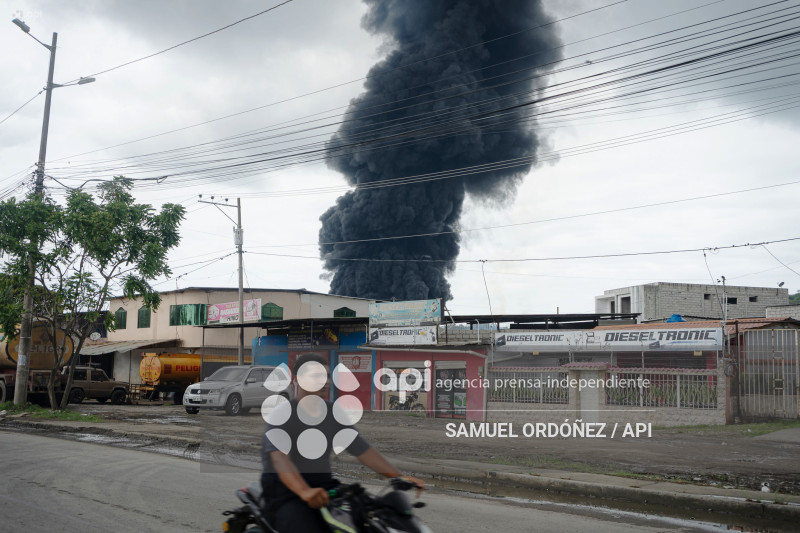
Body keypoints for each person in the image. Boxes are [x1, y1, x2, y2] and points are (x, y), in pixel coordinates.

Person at [261, 353, 426, 532]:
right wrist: (304, 491)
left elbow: (362, 450)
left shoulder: (333, 412)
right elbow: (280, 460)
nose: (325, 381)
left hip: (325, 487)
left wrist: (397, 477)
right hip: (286, 493)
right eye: (317, 376)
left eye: (326, 376)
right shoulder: (282, 414)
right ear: (298, 379)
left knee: (369, 520)